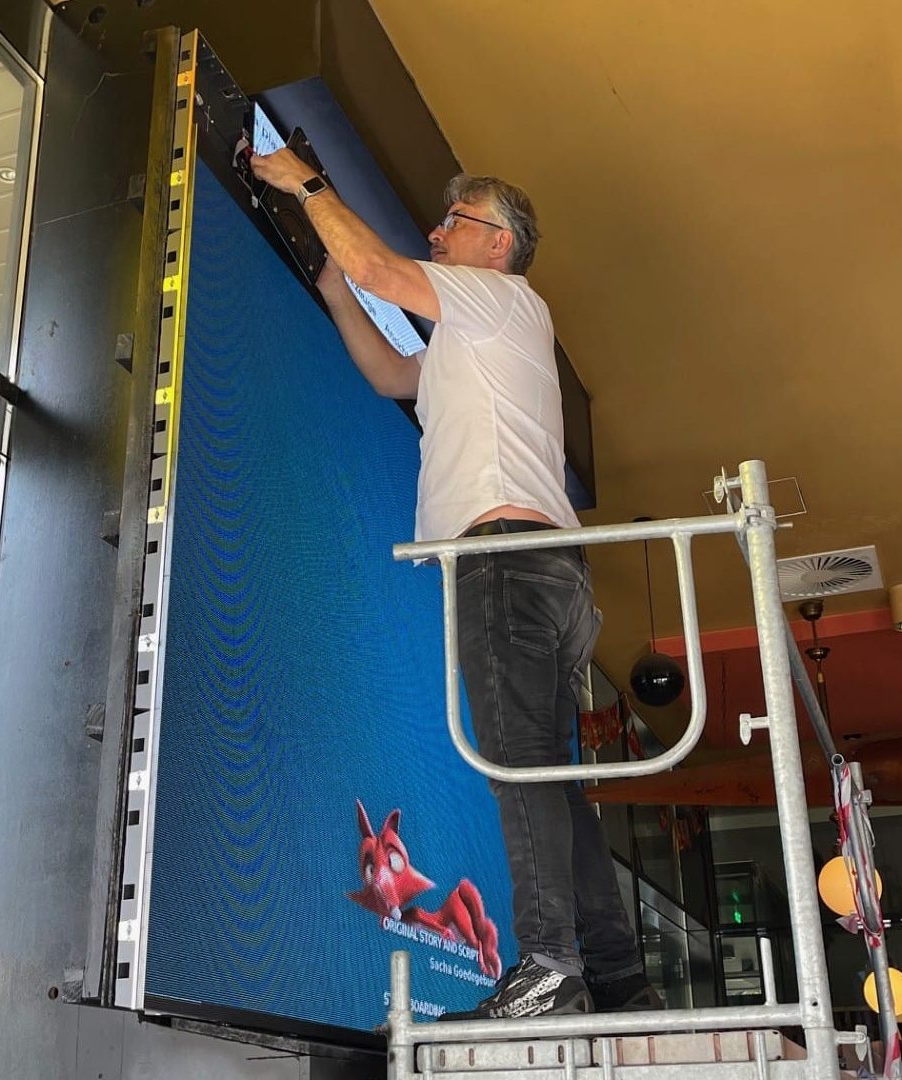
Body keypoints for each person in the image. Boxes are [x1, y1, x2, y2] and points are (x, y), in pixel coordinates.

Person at [251, 150, 660, 1019]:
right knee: (548, 778)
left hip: (505, 560)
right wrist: (333, 292)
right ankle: (620, 979)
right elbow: (391, 375)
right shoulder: (478, 335)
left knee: (518, 769)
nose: (436, 235)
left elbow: (379, 267)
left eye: (453, 223)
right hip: (543, 567)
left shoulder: (495, 297)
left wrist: (307, 184)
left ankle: (548, 967)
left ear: (498, 243)